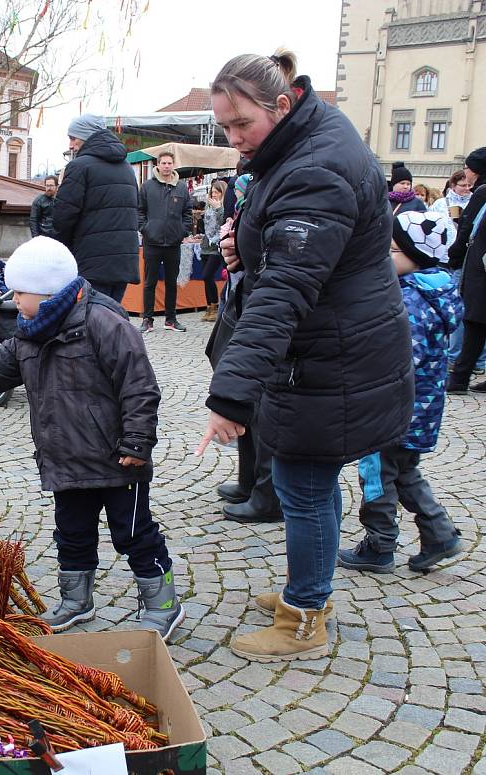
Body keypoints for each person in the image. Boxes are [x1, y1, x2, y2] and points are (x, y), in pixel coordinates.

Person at [197, 49, 413, 662]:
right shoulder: (306, 138)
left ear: (282, 104)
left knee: (305, 481)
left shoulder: (316, 166)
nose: (236, 140)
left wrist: (231, 394)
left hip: (336, 354)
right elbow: (296, 253)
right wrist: (248, 247)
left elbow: (287, 288)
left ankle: (306, 614)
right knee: (304, 479)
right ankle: (309, 588)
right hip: (336, 345)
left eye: (243, 125)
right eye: (226, 128)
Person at [0, 236, 185, 642]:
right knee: (71, 532)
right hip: (65, 459)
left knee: (134, 534)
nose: (13, 300)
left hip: (117, 460)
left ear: (50, 291)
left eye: (20, 292)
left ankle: (164, 605)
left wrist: (136, 444)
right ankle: (77, 600)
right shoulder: (29, 334)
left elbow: (140, 388)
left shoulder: (105, 324)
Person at [339, 211, 463, 574]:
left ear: (418, 255)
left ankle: (379, 545)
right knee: (404, 470)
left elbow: (397, 359)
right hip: (419, 408)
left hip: (393, 408)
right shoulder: (432, 291)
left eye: (391, 249)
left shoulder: (411, 301)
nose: (383, 255)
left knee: (376, 471)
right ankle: (440, 534)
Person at [206, 173, 283, 525]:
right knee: (249, 396)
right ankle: (250, 480)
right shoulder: (255, 182)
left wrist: (242, 248)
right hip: (245, 294)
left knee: (265, 402)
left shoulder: (287, 181)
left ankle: (268, 493)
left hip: (267, 302)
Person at [52, 114, 140, 304]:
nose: (70, 145)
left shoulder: (79, 167)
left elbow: (62, 217)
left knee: (89, 324)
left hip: (91, 263)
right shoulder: (126, 168)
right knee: (110, 321)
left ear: (85, 136)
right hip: (122, 262)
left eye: (72, 138)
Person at [138, 152, 193, 333]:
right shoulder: (147, 187)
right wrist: (145, 229)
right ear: (158, 165)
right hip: (151, 242)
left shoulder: (182, 188)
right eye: (164, 163)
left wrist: (182, 232)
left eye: (170, 163)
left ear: (173, 165)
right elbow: (139, 211)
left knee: (171, 283)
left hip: (173, 243)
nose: (167, 166)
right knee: (149, 283)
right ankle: (147, 320)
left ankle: (171, 319)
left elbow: (187, 214)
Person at [446, 147, 486, 394]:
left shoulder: (482, 192)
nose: (466, 174)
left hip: (478, 269)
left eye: (469, 169)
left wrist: (455, 255)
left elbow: (467, 228)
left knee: (473, 322)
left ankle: (459, 378)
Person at [200, 178, 226, 322]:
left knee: (207, 275)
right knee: (206, 279)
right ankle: (209, 307)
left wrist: (218, 208)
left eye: (217, 192)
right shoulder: (208, 207)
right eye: (213, 192)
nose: (214, 195)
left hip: (216, 246)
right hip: (205, 246)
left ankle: (215, 306)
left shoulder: (223, 207)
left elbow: (223, 222)